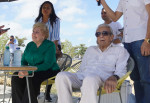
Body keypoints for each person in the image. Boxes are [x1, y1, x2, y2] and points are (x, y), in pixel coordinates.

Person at [55, 24, 129, 103]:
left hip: (100, 80)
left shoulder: (120, 50)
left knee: (90, 79)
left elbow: (121, 70)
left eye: (105, 33)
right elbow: (82, 68)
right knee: (61, 76)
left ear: (111, 37)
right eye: (98, 34)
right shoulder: (90, 49)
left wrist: (114, 77)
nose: (101, 36)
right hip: (82, 77)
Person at [98, 0, 150, 102]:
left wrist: (147, 40)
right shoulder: (122, 0)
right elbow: (114, 17)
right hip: (127, 42)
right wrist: (102, 1)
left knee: (146, 79)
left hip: (141, 40)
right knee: (136, 79)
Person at [11, 22, 60, 103]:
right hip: (33, 70)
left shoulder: (50, 45)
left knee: (32, 77)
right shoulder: (30, 45)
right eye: (33, 31)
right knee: (16, 76)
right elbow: (24, 61)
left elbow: (47, 64)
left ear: (44, 35)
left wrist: (29, 71)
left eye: (37, 32)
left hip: (50, 70)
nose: (34, 34)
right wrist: (22, 70)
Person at [35, 1, 61, 101]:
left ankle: (47, 93)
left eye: (48, 7)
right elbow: (36, 35)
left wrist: (54, 50)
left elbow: (55, 37)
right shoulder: (38, 20)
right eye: (44, 7)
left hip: (53, 46)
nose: (45, 9)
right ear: (41, 9)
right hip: (40, 47)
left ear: (51, 10)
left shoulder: (55, 20)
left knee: (51, 68)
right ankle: (36, 89)